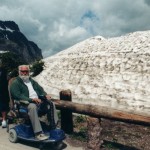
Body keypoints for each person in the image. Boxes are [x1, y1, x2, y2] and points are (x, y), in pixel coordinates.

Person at [10, 65, 58, 141]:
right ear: (19, 72)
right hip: (23, 105)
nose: (25, 73)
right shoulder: (15, 83)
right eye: (23, 71)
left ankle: (53, 126)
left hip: (37, 102)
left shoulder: (31, 81)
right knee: (32, 106)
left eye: (26, 71)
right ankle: (38, 133)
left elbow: (40, 89)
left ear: (28, 72)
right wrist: (31, 100)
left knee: (51, 104)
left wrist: (45, 95)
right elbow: (18, 96)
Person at [0, 60, 9, 128]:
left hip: (3, 91)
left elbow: (7, 79)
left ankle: (4, 119)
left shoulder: (4, 70)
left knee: (3, 105)